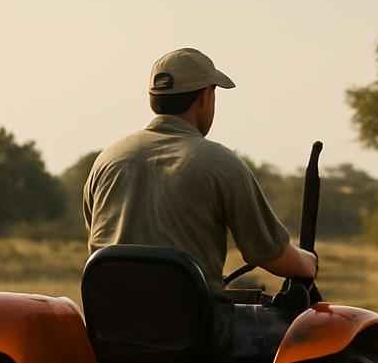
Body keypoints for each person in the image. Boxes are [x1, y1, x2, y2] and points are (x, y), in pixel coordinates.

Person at [83, 47, 318, 287]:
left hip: (109, 319)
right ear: (205, 97)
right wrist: (308, 262)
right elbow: (271, 254)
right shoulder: (221, 163)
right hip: (191, 321)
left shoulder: (107, 161)